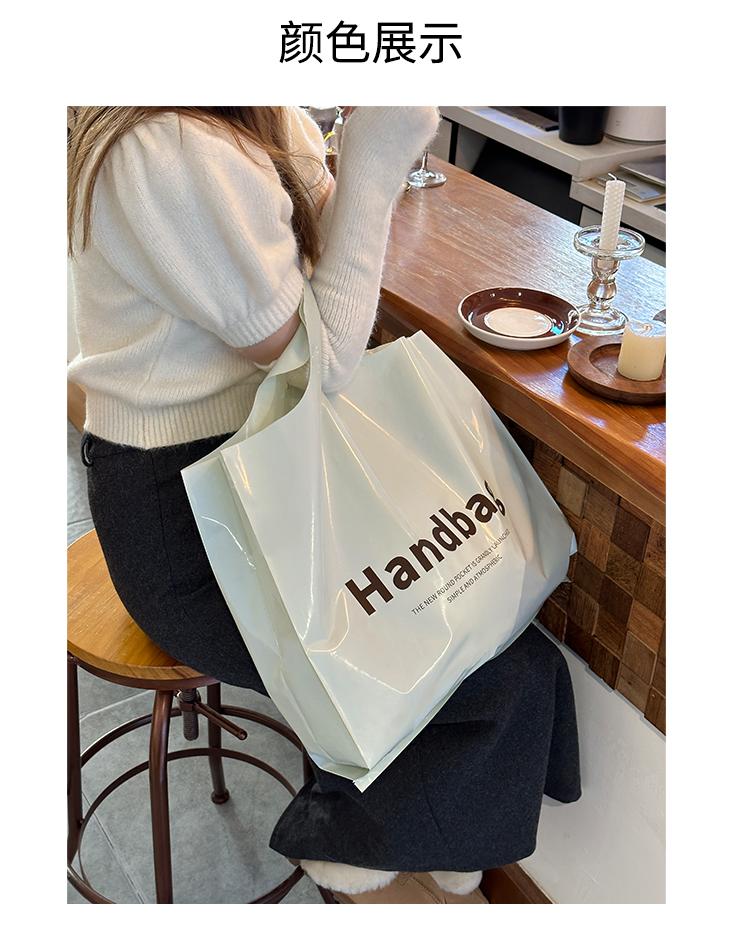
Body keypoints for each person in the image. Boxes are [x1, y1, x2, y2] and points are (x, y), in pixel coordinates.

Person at [68, 106, 581, 904]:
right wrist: (377, 150)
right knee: (467, 654)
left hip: (258, 463)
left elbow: (315, 225)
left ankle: (421, 826)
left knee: (475, 626)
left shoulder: (230, 111)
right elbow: (319, 360)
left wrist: (345, 149)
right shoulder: (162, 145)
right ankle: (356, 835)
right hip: (182, 516)